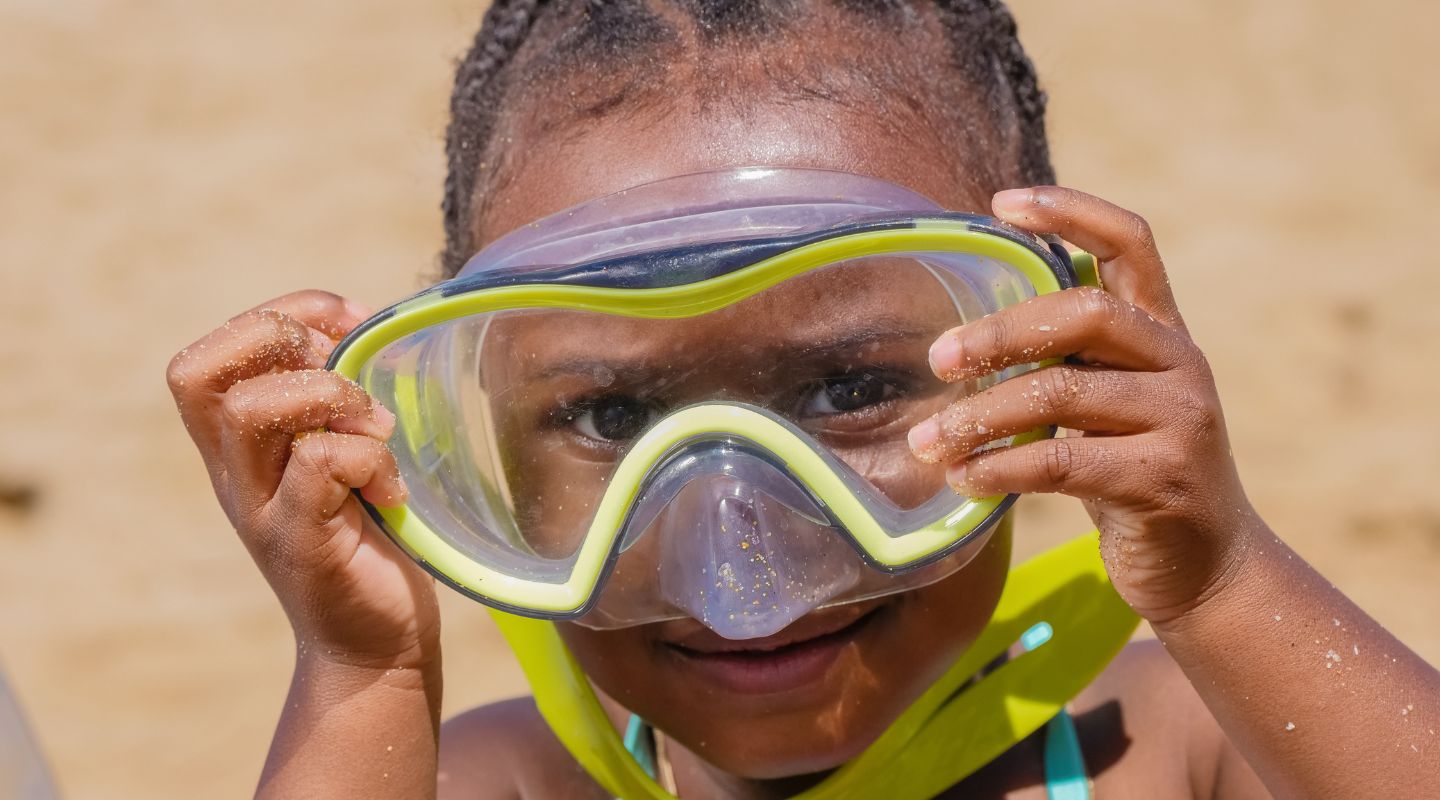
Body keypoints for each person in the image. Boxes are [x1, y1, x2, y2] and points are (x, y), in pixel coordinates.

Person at [165, 1, 1440, 797]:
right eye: (611, 415)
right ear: (469, 441)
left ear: (1056, 364)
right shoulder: (492, 782)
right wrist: (361, 670)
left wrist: (1219, 578)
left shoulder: (1173, 748)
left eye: (847, 387)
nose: (741, 560)